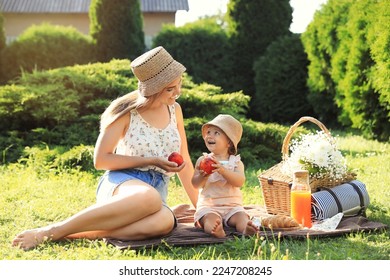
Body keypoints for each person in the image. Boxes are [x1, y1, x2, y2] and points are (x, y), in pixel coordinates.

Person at [12, 46, 198, 250]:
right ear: (153, 90)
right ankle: (52, 230)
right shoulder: (127, 113)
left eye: (179, 84)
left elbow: (185, 159)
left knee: (166, 221)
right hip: (123, 183)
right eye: (170, 89)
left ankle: (71, 235)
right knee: (149, 198)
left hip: (155, 191)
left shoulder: (175, 110)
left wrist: (202, 208)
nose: (177, 93)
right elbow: (101, 160)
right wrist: (150, 161)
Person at [191, 114, 258, 238]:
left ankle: (246, 230)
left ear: (229, 143)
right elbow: (195, 184)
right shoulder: (203, 160)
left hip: (232, 207)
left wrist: (223, 171)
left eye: (216, 133)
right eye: (208, 132)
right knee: (210, 220)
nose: (210, 135)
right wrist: (203, 176)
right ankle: (217, 231)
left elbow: (239, 182)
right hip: (209, 207)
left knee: (241, 218)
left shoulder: (236, 162)